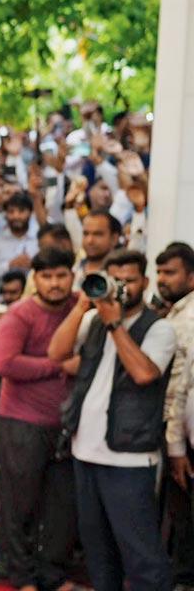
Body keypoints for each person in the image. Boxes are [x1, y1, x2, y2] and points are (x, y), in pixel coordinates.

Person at [49, 249, 175, 591]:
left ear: (145, 283)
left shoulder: (160, 328)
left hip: (129, 458)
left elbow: (143, 373)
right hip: (85, 453)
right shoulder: (93, 322)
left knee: (142, 557)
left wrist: (115, 324)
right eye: (113, 279)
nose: (120, 287)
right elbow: (56, 354)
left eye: (129, 280)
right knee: (99, 557)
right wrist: (81, 306)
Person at [0, 247, 79, 591]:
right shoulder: (20, 314)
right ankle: (22, 576)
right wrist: (57, 365)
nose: (55, 283)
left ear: (73, 276)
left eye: (61, 275)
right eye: (47, 276)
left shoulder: (79, 310)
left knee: (61, 507)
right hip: (23, 421)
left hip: (69, 423)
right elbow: (5, 364)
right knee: (20, 503)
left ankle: (53, 575)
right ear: (35, 279)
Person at [155, 242, 194, 583]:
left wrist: (175, 445)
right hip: (178, 428)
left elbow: (179, 386)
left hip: (181, 428)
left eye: (171, 273)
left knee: (183, 512)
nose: (161, 279)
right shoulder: (175, 312)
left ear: (192, 278)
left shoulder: (189, 319)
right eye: (159, 272)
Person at [0, 192, 39, 293]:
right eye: (11, 212)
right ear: (5, 214)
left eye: (21, 211)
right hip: (1, 301)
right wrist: (9, 265)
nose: (16, 216)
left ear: (30, 213)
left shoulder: (39, 240)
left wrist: (34, 266)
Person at [75, 209, 122, 286]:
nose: (90, 240)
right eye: (86, 234)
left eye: (97, 234)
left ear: (114, 238)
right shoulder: (74, 270)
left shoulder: (122, 274)